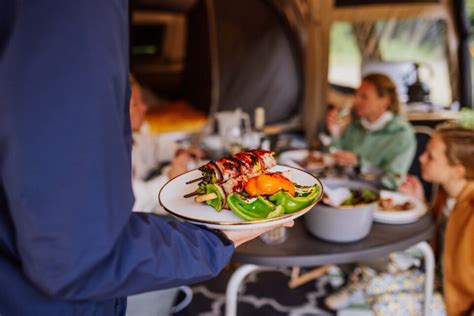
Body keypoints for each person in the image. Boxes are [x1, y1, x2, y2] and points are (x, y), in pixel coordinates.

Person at [0, 2, 291, 315]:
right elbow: (81, 254)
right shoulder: (69, 11)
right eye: (129, 101)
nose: (138, 110)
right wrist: (214, 240)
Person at [399, 124, 474, 315]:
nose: (421, 158)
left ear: (457, 170)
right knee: (374, 282)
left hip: (457, 304)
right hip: (439, 278)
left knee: (383, 304)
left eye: (430, 156)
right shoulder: (446, 192)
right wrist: (420, 201)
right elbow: (438, 235)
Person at [325, 73, 416, 188]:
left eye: (364, 97)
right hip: (343, 188)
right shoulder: (355, 124)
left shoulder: (402, 135)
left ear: (385, 101)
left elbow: (393, 181)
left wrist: (360, 164)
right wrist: (335, 134)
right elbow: (333, 159)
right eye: (357, 95)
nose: (356, 100)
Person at [129, 75, 201, 214]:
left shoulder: (135, 136)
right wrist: (169, 178)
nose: (144, 107)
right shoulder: (109, 154)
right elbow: (132, 202)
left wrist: (178, 151)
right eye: (136, 104)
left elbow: (156, 146)